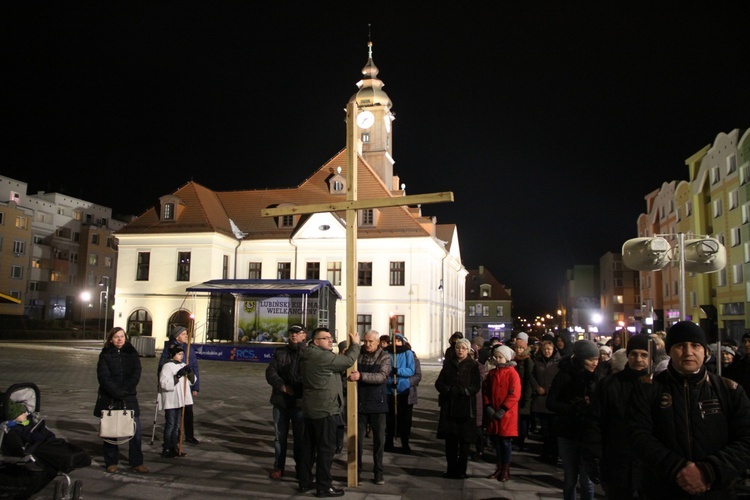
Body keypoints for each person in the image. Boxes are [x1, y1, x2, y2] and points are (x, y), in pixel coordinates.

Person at [629, 321, 750, 499]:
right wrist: (677, 469)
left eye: (695, 345)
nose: (688, 352)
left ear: (705, 351)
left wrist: (708, 470)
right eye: (680, 346)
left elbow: (746, 439)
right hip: (662, 489)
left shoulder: (729, 390)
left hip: (717, 490)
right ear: (669, 351)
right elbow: (638, 435)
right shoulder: (648, 388)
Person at [300, 327, 360, 497]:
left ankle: (304, 482)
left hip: (311, 409)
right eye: (325, 338)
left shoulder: (308, 354)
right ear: (316, 341)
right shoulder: (322, 356)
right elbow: (348, 361)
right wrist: (356, 345)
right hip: (325, 410)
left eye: (330, 337)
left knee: (309, 448)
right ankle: (324, 486)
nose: (329, 340)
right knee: (326, 450)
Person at [592, 333, 652, 499]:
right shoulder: (610, 384)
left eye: (644, 354)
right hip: (617, 461)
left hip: (649, 465)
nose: (638, 359)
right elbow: (596, 420)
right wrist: (594, 455)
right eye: (634, 354)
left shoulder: (658, 385)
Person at [546, 340, 603, 500]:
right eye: (591, 359)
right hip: (568, 432)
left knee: (588, 480)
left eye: (597, 359)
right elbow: (551, 402)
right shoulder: (565, 374)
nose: (595, 363)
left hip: (588, 434)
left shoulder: (599, 377)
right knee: (570, 477)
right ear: (581, 359)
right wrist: (572, 407)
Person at [94, 326, 149, 474]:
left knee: (135, 431)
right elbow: (103, 376)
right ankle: (111, 462)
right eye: (116, 336)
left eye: (122, 336)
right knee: (110, 431)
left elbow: (136, 373)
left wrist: (125, 390)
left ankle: (137, 462)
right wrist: (116, 391)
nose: (120, 339)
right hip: (110, 397)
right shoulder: (105, 354)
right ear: (111, 339)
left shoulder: (132, 353)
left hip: (128, 396)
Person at [264, 324, 310, 484]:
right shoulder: (280, 352)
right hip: (281, 401)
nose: (294, 336)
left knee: (300, 439)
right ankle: (278, 467)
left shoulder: (309, 354)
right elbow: (271, 372)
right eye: (291, 333)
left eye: (297, 333)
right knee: (279, 437)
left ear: (304, 335)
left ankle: (301, 469)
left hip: (300, 403)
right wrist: (283, 387)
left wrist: (297, 388)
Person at [347, 330, 390, 485]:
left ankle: (378, 472)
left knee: (379, 441)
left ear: (378, 342)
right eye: (365, 341)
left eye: (371, 341)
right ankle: (356, 472)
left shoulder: (384, 356)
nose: (368, 344)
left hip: (377, 403)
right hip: (360, 403)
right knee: (356, 440)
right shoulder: (359, 354)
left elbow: (382, 376)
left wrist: (362, 376)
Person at [435, 338, 481, 479]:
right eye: (458, 348)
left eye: (463, 348)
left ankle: (462, 470)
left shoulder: (473, 366)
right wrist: (448, 390)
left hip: (465, 408)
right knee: (451, 441)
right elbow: (439, 383)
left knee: (464, 442)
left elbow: (476, 386)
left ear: (468, 350)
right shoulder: (449, 364)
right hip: (450, 406)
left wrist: (464, 391)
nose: (460, 350)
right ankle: (451, 469)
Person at [483, 344, 521, 482]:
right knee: (497, 442)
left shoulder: (512, 373)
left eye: (500, 357)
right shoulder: (492, 374)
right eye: (496, 357)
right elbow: (486, 391)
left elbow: (514, 394)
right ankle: (498, 467)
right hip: (494, 412)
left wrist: (503, 409)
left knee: (505, 442)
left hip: (506, 415)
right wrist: (488, 406)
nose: (498, 359)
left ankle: (506, 469)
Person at [158, 325, 200, 445]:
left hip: (186, 385)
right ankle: (171, 441)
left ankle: (188, 435)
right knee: (173, 419)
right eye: (183, 334)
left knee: (188, 412)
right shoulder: (170, 348)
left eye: (187, 334)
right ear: (177, 336)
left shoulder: (189, 348)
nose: (186, 336)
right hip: (175, 387)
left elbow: (194, 367)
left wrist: (195, 385)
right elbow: (163, 367)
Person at [158, 344, 196, 458]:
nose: (181, 356)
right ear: (173, 355)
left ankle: (174, 446)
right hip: (171, 399)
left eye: (182, 354)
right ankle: (167, 447)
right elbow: (164, 383)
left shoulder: (183, 365)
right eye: (179, 354)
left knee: (177, 425)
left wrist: (190, 373)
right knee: (170, 423)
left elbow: (191, 382)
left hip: (181, 399)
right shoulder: (167, 366)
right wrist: (177, 376)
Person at [530, 334, 560, 464]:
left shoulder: (559, 362)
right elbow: (531, 376)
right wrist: (537, 387)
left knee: (554, 430)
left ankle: (554, 454)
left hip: (553, 399)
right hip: (541, 399)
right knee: (545, 430)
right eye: (545, 349)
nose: (547, 351)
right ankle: (546, 453)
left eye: (549, 349)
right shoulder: (537, 362)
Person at [385, 334, 416, 453]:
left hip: (402, 389)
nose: (396, 343)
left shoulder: (407, 353)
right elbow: (384, 368)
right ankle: (388, 442)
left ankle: (405, 443)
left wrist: (398, 371)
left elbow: (411, 370)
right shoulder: (387, 352)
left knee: (403, 419)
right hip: (389, 389)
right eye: (394, 340)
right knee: (390, 418)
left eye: (398, 340)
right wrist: (389, 380)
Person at [512, 332, 534, 451]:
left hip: (524, 395)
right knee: (517, 418)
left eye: (521, 348)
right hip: (515, 394)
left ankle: (520, 441)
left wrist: (526, 397)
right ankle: (516, 439)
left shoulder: (527, 361)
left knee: (522, 419)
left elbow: (528, 380)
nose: (519, 350)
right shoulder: (514, 360)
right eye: (517, 348)